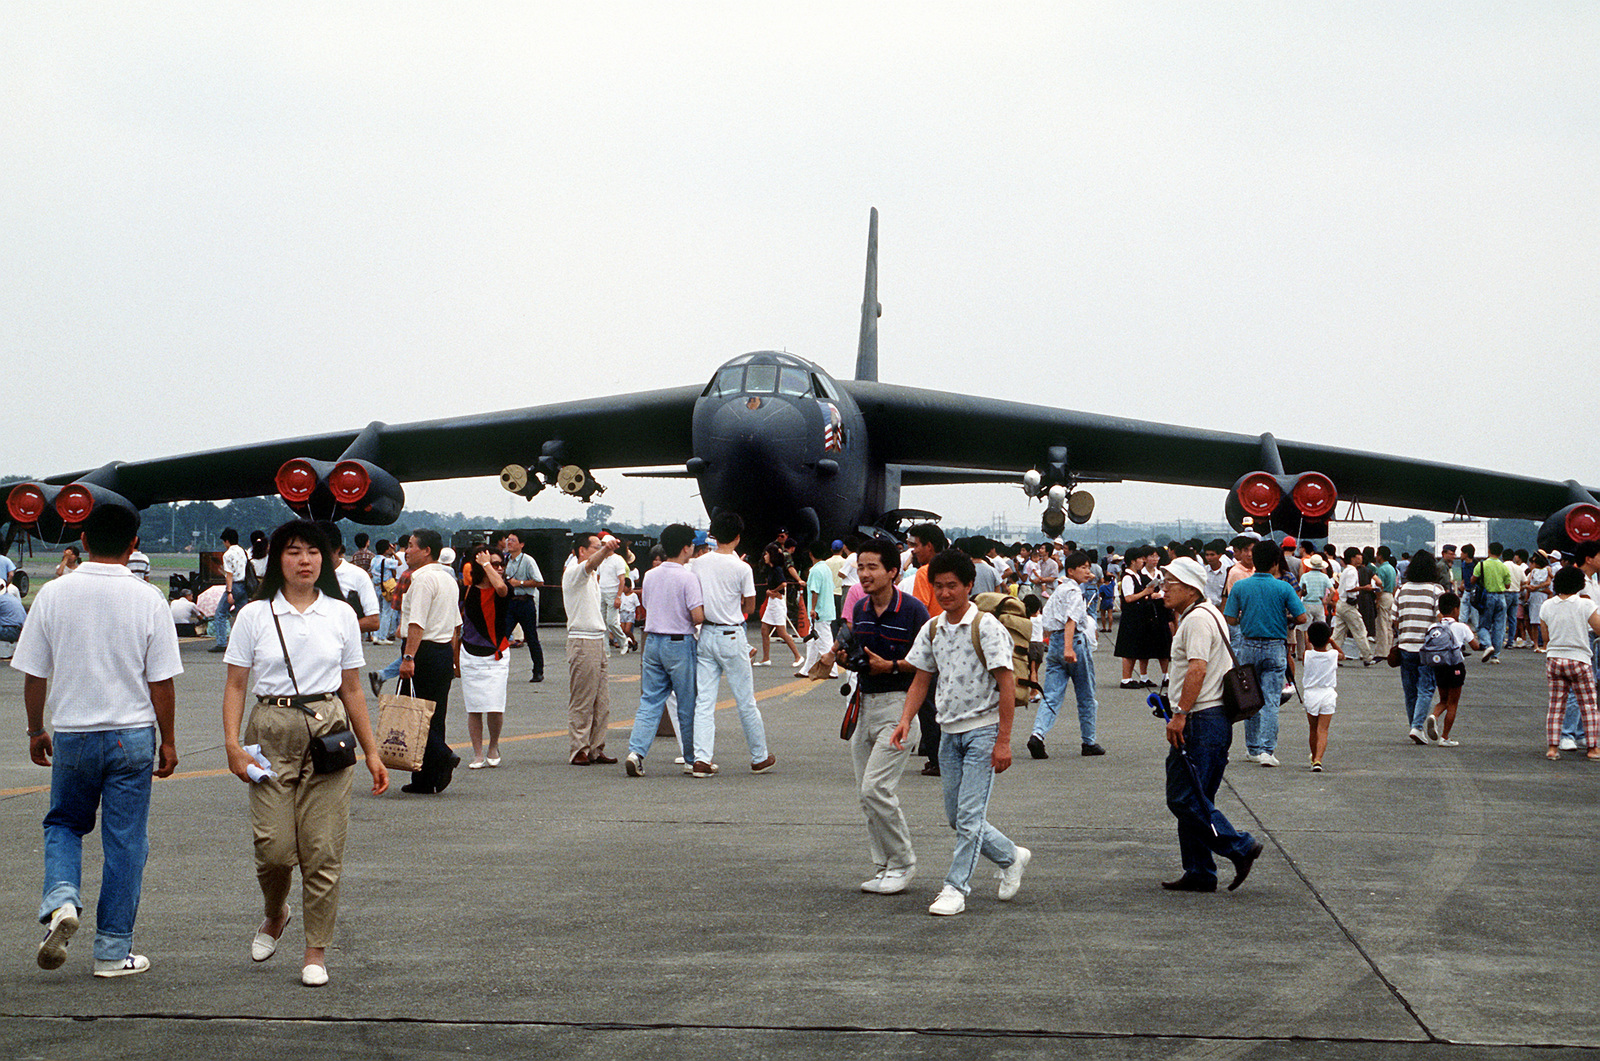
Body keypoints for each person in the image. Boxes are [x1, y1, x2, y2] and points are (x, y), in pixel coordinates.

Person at [15, 504, 181, 977]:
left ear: (83, 540)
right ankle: (112, 951)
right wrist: (168, 741)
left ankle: (62, 897)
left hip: (72, 734)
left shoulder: (53, 594)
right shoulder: (148, 598)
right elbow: (162, 682)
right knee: (126, 842)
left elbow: (34, 673)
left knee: (64, 824)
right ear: (134, 545)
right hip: (131, 735)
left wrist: (35, 730)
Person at [221, 520, 388, 988]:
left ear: (327, 558)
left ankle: (315, 949)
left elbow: (353, 688)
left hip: (328, 731)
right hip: (269, 730)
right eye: (294, 551)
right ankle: (276, 912)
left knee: (322, 849)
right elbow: (236, 684)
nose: (305, 560)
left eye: (314, 552)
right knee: (273, 849)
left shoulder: (340, 615)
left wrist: (372, 752)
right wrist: (233, 745)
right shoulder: (254, 615)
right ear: (278, 559)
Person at [892, 549, 1030, 917]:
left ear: (969, 585)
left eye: (953, 585)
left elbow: (1006, 682)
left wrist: (1003, 741)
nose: (945, 593)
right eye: (938, 586)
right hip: (948, 734)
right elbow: (921, 677)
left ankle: (955, 887)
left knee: (969, 817)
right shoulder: (933, 628)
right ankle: (1009, 855)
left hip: (982, 732)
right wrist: (906, 720)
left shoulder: (986, 626)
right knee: (957, 817)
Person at [1155, 556, 1263, 893]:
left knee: (1183, 798)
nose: (1163, 590)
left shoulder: (1197, 620)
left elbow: (1197, 668)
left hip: (1201, 718)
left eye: (1169, 583)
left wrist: (1180, 712)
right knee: (1199, 798)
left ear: (1190, 587)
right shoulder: (1207, 613)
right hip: (1212, 719)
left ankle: (1239, 846)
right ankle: (1200, 871)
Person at [839, 539, 929, 895]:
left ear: (893, 571)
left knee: (876, 788)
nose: (864, 574)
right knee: (866, 794)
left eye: (872, 567)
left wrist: (889, 664)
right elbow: (856, 650)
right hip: (864, 705)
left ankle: (903, 863)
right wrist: (848, 659)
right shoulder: (859, 608)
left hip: (899, 705)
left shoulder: (914, 611)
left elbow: (928, 661)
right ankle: (883, 865)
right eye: (861, 567)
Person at [691, 512, 774, 775]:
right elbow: (750, 606)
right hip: (731, 634)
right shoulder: (742, 567)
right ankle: (759, 756)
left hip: (705, 634)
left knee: (704, 701)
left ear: (713, 535)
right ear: (738, 537)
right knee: (745, 700)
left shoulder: (699, 563)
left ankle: (702, 758)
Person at [626, 525, 704, 776]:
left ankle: (636, 752)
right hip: (680, 642)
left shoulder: (651, 575)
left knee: (650, 701)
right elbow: (697, 615)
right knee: (686, 703)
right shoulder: (687, 577)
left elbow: (647, 604)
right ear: (685, 548)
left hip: (653, 641)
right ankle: (692, 758)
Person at [1225, 540, 1308, 768]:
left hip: (1248, 646)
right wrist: (1284, 617)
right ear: (1274, 563)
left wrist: (1247, 617)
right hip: (1274, 646)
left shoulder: (1241, 586)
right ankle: (1267, 751)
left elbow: (1230, 618)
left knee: (1249, 699)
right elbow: (1302, 617)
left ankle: (1252, 748)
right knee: (1271, 700)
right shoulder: (1284, 588)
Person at [396, 529, 462, 794]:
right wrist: (454, 661)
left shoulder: (421, 580)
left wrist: (408, 657)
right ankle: (427, 778)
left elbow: (416, 624)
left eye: (411, 546)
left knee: (412, 713)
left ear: (427, 551)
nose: (406, 550)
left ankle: (443, 755)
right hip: (443, 652)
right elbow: (457, 626)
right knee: (435, 715)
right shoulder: (449, 580)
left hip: (422, 651)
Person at [1030, 550, 1103, 759]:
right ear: (1071, 570)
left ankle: (1038, 734)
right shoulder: (1074, 592)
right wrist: (1069, 648)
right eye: (1083, 568)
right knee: (1086, 694)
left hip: (1054, 642)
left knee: (1051, 695)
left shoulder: (1060, 589)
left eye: (1089, 567)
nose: (1087, 571)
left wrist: (1057, 645)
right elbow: (1071, 619)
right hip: (1074, 643)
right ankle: (1088, 741)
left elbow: (1049, 620)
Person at [563, 532, 621, 767]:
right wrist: (606, 550)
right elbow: (591, 563)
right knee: (583, 699)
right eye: (595, 547)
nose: (600, 551)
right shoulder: (574, 572)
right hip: (582, 639)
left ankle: (596, 747)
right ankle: (578, 748)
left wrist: (611, 549)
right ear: (581, 550)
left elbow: (597, 563)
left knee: (602, 700)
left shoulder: (592, 576)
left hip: (597, 639)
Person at [1539, 565, 1600, 761]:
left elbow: (1545, 636)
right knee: (1589, 705)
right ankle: (1592, 748)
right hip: (1579, 659)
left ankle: (1553, 748)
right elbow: (1598, 629)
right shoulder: (1585, 605)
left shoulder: (1547, 605)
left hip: (1554, 659)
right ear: (1580, 585)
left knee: (1556, 705)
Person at [458, 545, 511, 769]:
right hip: (470, 653)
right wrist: (454, 658)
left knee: (495, 704)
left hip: (496, 653)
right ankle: (478, 752)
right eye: (494, 564)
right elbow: (457, 624)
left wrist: (488, 564)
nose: (499, 568)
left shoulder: (505, 587)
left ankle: (493, 746)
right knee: (474, 706)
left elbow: (499, 588)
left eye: (501, 564)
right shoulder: (467, 589)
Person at [1394, 550, 1444, 744]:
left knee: (1410, 690)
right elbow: (1440, 618)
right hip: (1428, 648)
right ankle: (1417, 726)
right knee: (1426, 688)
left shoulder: (1402, 590)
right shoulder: (1436, 590)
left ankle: (1414, 726)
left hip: (1405, 645)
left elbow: (1394, 619)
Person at [1421, 592, 1481, 748]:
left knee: (1443, 700)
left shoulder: (1434, 626)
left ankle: (1434, 715)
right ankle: (1445, 737)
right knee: (1453, 703)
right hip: (1455, 667)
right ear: (1456, 609)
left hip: (1438, 666)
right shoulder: (1461, 626)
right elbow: (1475, 646)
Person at [501, 532, 545, 683]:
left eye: (513, 540)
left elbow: (539, 582)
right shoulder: (506, 560)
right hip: (510, 603)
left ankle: (538, 671)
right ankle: (496, 668)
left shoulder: (528, 560)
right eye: (508, 540)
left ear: (521, 544)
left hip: (525, 602)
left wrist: (519, 583)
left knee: (531, 637)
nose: (509, 543)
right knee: (502, 635)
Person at [755, 543, 803, 669]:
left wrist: (774, 591)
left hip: (777, 602)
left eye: (766, 554)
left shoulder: (777, 569)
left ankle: (798, 656)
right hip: (772, 602)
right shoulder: (770, 569)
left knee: (782, 632)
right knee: (764, 630)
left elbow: (784, 583)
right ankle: (766, 658)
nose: (764, 556)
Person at [1328, 547, 1376, 665]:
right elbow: (1350, 588)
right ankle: (1367, 657)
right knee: (1360, 630)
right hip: (1349, 605)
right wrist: (1364, 588)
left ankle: (1329, 654)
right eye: (1358, 555)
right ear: (1353, 558)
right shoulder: (1352, 571)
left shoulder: (1347, 570)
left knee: (1338, 633)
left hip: (1341, 604)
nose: (1361, 557)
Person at [1302, 621, 1339, 771]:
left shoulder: (1307, 655)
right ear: (1328, 638)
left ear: (1310, 640)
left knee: (1313, 728)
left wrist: (1307, 637)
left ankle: (1313, 754)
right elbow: (1342, 654)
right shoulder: (1333, 655)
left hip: (1311, 694)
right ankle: (1318, 759)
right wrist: (1333, 642)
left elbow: (1307, 647)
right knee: (1323, 729)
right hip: (1327, 693)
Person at [369, 539, 400, 644]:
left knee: (379, 612)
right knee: (387, 612)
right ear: (387, 549)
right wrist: (393, 552)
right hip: (387, 588)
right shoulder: (386, 561)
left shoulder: (373, 560)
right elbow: (398, 563)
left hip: (377, 587)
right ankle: (382, 637)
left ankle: (376, 636)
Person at [1525, 553, 1552, 652]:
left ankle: (1542, 644)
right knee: (1536, 621)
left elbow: (1549, 582)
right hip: (1538, 596)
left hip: (1539, 596)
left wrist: (1535, 587)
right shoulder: (1535, 571)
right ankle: (1538, 644)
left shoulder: (1546, 570)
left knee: (1540, 621)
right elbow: (1528, 583)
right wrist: (1534, 587)